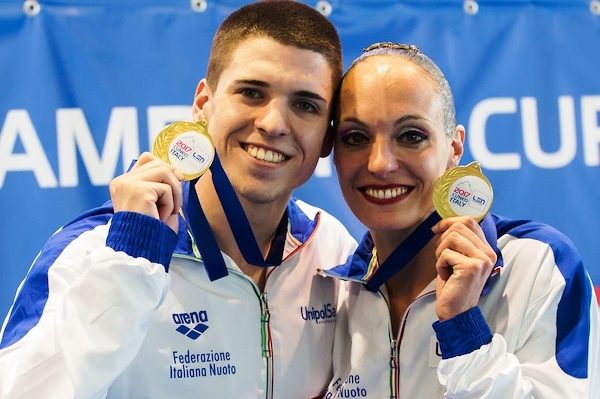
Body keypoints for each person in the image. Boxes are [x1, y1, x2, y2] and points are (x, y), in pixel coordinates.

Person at [0, 1, 357, 398]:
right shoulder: (92, 251)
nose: (273, 123)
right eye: (252, 92)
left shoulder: (330, 249)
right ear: (204, 104)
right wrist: (128, 265)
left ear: (327, 135)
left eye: (305, 105)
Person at [321, 42, 599, 398]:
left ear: (454, 148)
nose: (380, 164)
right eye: (356, 137)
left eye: (411, 136)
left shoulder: (537, 265)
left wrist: (464, 328)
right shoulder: (334, 291)